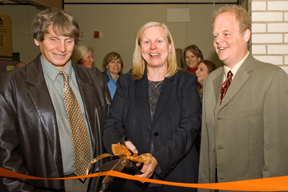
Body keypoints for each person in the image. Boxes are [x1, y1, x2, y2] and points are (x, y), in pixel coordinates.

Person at [0, 8, 111, 192]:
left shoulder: (95, 80)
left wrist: (107, 181)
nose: (62, 48)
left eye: (69, 41)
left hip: (94, 183)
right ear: (37, 39)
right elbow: (5, 153)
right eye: (53, 39)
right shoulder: (11, 85)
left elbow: (108, 129)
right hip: (41, 186)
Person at [102, 21, 201, 192]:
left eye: (159, 41)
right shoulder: (127, 82)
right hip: (134, 179)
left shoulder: (186, 82)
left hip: (177, 179)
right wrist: (121, 144)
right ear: (140, 48)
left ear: (170, 46)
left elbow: (189, 127)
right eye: (146, 42)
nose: (153, 47)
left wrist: (158, 160)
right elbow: (112, 124)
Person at [198, 5, 288, 192]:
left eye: (226, 34)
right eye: (215, 35)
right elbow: (206, 149)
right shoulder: (211, 81)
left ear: (246, 35)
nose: (219, 41)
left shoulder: (272, 78)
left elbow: (277, 156)